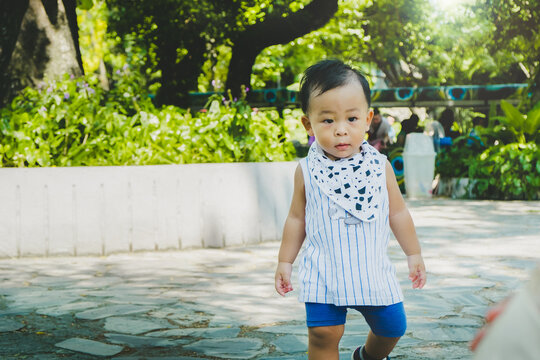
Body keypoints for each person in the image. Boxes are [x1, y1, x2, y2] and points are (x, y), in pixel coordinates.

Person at [274, 59, 427, 360]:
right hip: (324, 272)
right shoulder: (306, 170)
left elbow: (397, 213)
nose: (341, 131)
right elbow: (296, 219)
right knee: (323, 335)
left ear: (368, 119)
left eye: (352, 119)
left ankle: (366, 357)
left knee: (393, 326)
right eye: (328, 120)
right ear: (308, 124)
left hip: (371, 269)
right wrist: (285, 261)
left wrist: (414, 254)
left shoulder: (379, 167)